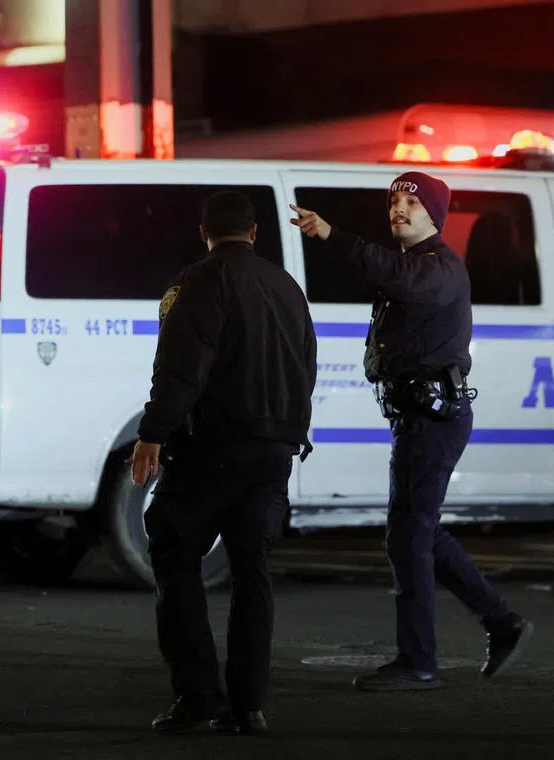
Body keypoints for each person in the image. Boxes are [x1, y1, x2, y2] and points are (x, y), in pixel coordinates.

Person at [290, 170, 533, 692]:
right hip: (415, 416)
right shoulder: (413, 266)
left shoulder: (440, 269)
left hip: (434, 420)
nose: (398, 208)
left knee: (409, 536)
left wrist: (334, 235)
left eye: (411, 202)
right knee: (417, 530)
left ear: (435, 215)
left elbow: (389, 275)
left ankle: (420, 662)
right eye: (394, 199)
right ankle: (500, 621)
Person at [129, 190, 317, 735]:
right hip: (275, 451)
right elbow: (306, 366)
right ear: (255, 232)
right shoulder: (288, 287)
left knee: (172, 545)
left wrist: (152, 434)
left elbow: (181, 368)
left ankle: (197, 693)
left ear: (204, 233)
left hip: (215, 447)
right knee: (252, 572)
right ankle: (249, 705)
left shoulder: (199, 281)